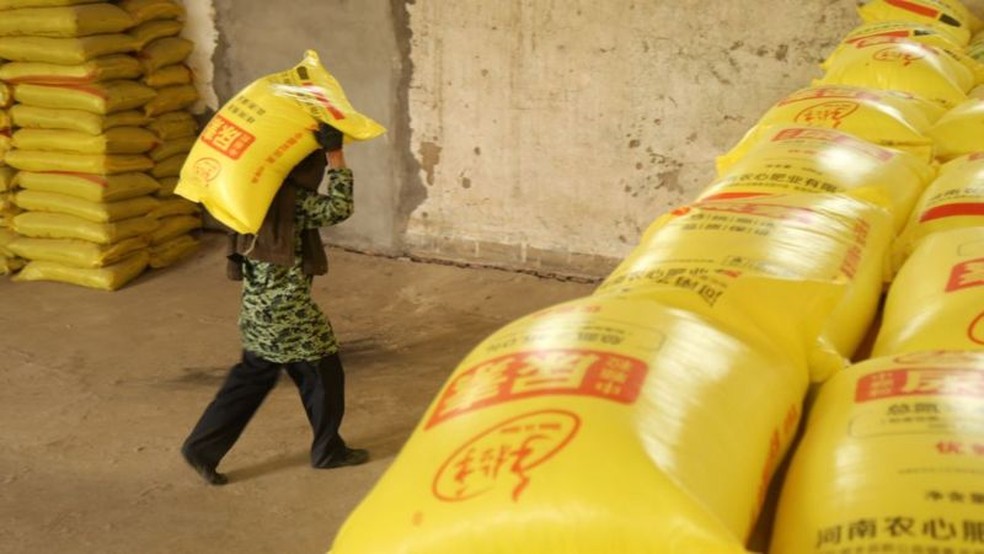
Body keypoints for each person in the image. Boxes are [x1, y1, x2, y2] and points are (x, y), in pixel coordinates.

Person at [181, 123, 368, 486]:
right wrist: (335, 156)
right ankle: (328, 450)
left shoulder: (245, 194)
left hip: (256, 306)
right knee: (324, 370)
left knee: (254, 376)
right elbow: (339, 207)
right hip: (289, 310)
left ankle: (201, 448)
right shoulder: (291, 201)